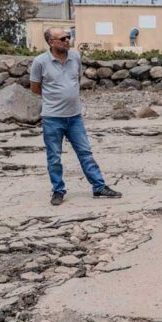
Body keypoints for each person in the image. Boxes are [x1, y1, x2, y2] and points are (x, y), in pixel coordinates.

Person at [30, 28, 122, 206]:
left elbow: (77, 80)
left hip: (74, 117)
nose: (67, 40)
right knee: (54, 157)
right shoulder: (40, 62)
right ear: (51, 42)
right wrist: (54, 99)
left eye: (68, 37)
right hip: (52, 118)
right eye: (62, 38)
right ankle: (58, 191)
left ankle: (99, 187)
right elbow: (35, 88)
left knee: (85, 153)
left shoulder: (75, 57)